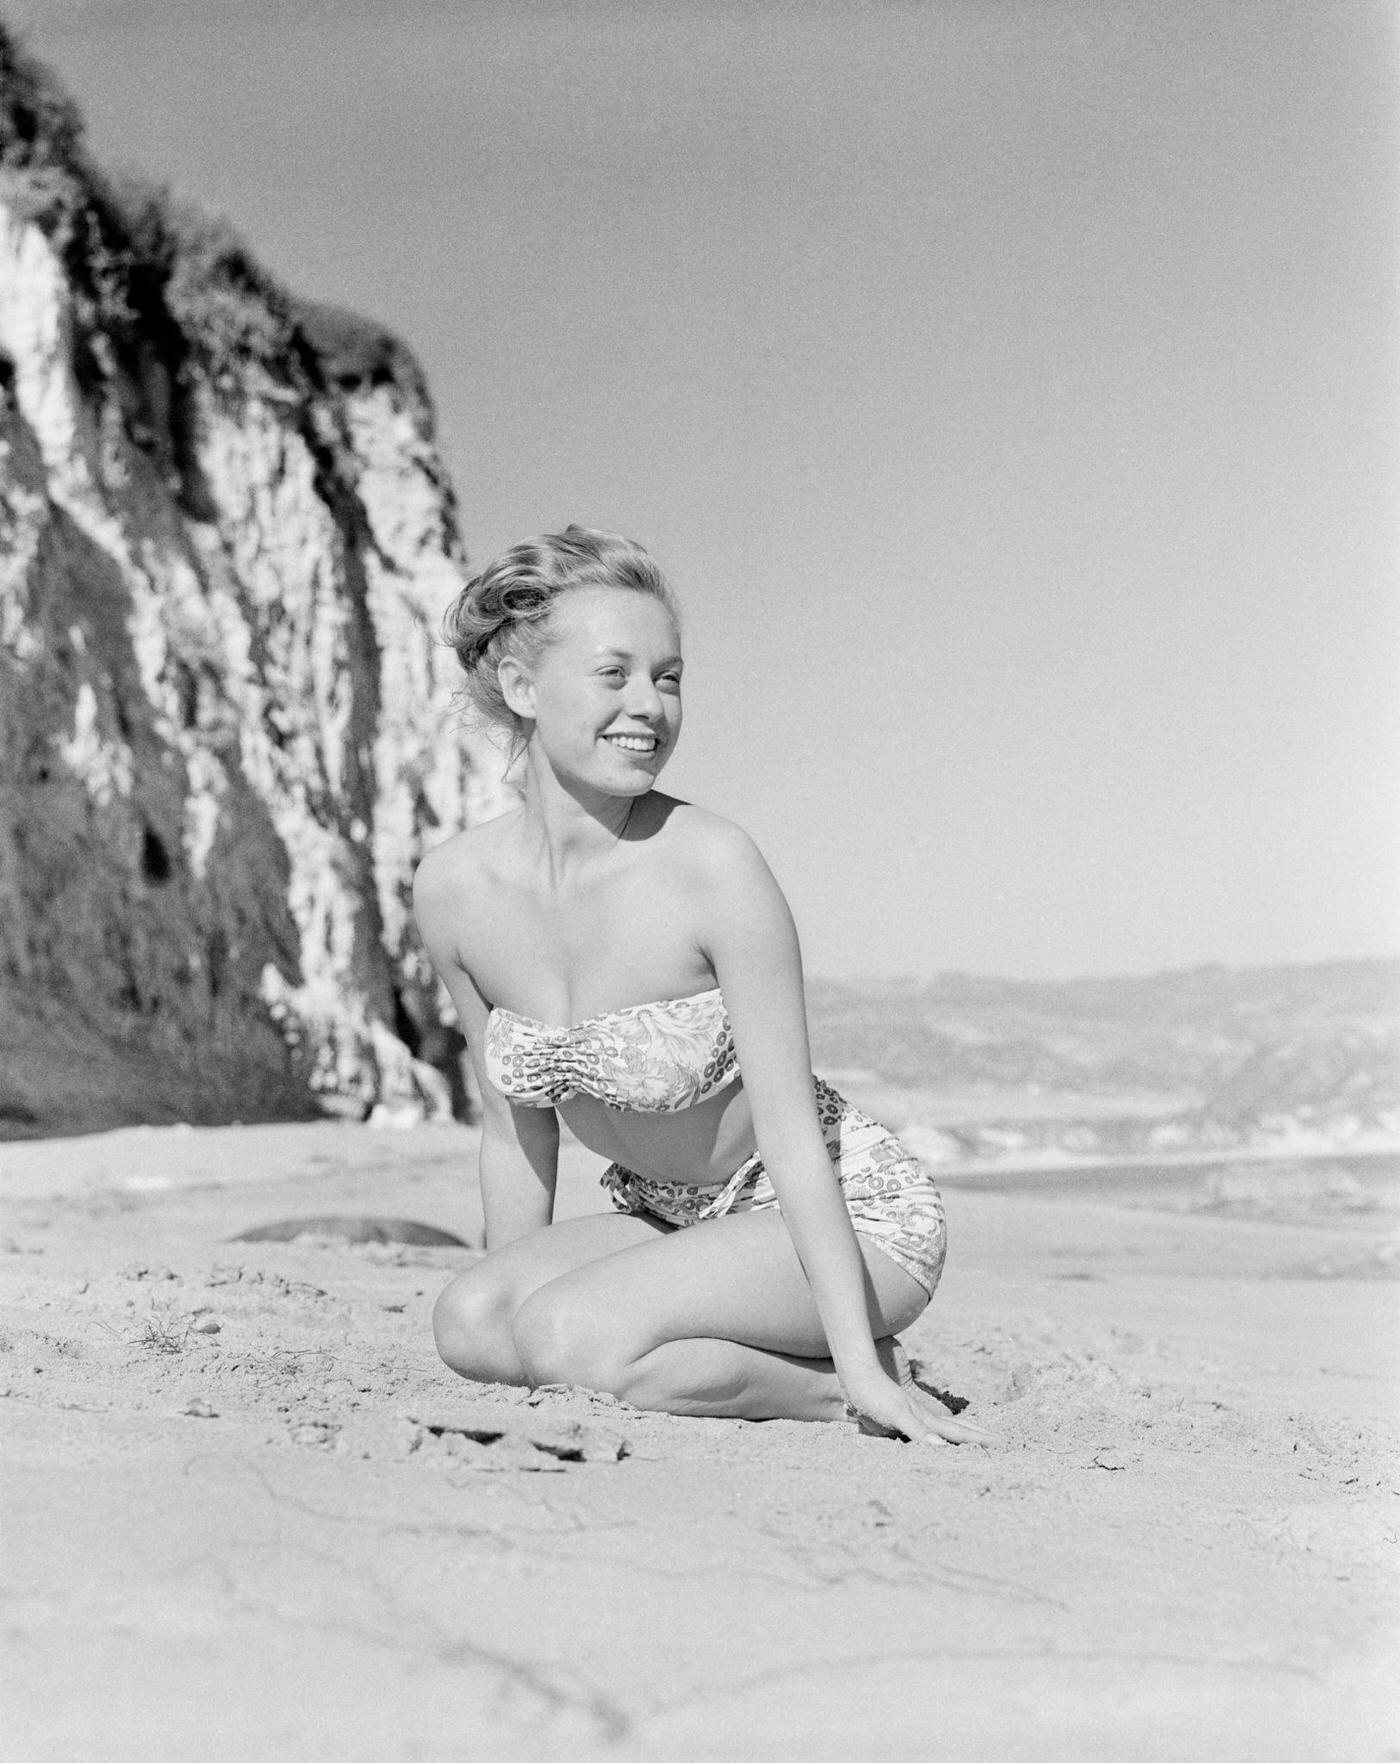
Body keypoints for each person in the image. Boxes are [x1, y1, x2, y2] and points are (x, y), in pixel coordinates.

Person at [414, 526, 992, 1445]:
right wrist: (513, 1319)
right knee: (472, 1322)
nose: (650, 706)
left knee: (574, 1334)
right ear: (522, 688)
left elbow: (797, 1141)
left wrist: (853, 1357)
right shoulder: (453, 892)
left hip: (846, 1217)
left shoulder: (714, 867)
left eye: (669, 676)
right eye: (615, 674)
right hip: (667, 1213)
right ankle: (627, 1339)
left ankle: (847, 1386)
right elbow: (510, 1128)